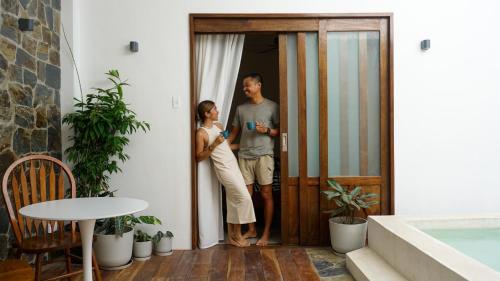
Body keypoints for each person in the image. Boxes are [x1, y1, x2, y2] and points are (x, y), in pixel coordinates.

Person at [195, 100, 256, 247]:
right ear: (207, 113)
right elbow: (198, 157)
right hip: (223, 169)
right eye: (215, 109)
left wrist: (245, 146)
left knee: (234, 201)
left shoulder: (219, 126)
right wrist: (214, 144)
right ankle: (237, 235)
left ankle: (234, 237)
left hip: (233, 165)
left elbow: (226, 146)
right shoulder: (201, 133)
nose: (218, 111)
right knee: (244, 198)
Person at [228, 73, 279, 246]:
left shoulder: (272, 106)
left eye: (247, 85)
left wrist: (266, 130)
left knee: (266, 194)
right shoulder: (241, 109)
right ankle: (251, 229)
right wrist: (220, 146)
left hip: (264, 155)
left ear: (258, 85)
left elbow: (280, 132)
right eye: (244, 86)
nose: (244, 89)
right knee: (246, 195)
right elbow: (234, 134)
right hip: (244, 156)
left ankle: (265, 234)